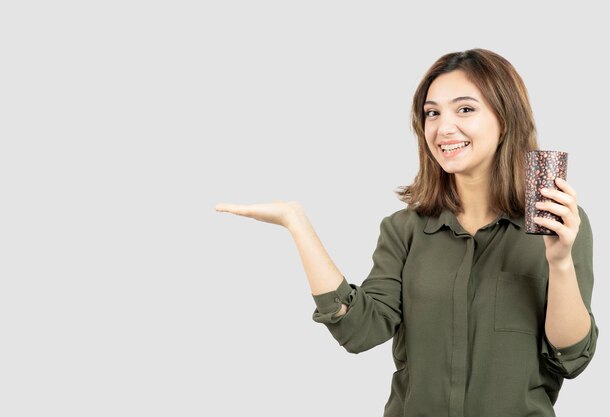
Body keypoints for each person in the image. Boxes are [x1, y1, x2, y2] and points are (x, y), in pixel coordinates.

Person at [214, 48, 598, 416]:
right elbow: (358, 329)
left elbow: (572, 356)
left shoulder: (558, 224)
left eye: (465, 109)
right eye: (432, 113)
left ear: (506, 119)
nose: (444, 128)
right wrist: (296, 223)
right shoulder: (404, 230)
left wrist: (559, 261)